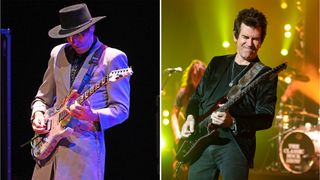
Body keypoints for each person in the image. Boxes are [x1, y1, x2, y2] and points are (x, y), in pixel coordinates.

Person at [30, 3, 130, 180]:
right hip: (48, 150)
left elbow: (121, 110)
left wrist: (93, 115)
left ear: (92, 28)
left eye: (79, 34)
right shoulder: (57, 53)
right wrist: (38, 113)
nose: (73, 41)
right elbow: (42, 98)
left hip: (83, 153)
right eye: (69, 36)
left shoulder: (112, 58)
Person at [180, 7, 278, 180]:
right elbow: (196, 98)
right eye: (245, 37)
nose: (250, 43)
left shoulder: (265, 75)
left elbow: (266, 117)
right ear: (235, 36)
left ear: (262, 41)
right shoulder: (217, 63)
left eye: (255, 39)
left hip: (235, 144)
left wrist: (233, 122)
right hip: (201, 141)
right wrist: (190, 117)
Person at [171, 60, 206, 179]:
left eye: (199, 75)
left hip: (202, 135)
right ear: (190, 76)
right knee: (181, 169)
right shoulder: (184, 92)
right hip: (186, 135)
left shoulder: (208, 91)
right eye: (194, 76)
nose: (196, 79)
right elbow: (174, 114)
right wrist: (177, 134)